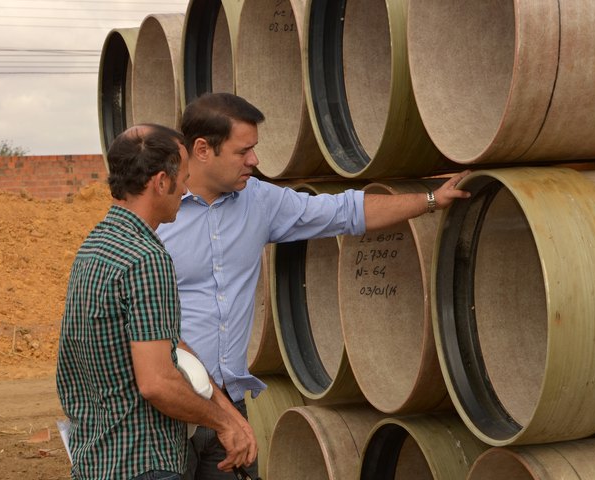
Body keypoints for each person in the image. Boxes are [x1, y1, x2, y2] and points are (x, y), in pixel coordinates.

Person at [156, 93, 471, 480]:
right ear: (202, 149)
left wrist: (429, 200)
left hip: (229, 407)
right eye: (244, 151)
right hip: (167, 412)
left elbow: (345, 212)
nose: (255, 161)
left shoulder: (259, 201)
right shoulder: (156, 210)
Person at [56, 123, 256, 480]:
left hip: (96, 463)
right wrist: (224, 425)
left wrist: (224, 406)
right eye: (183, 179)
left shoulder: (95, 246)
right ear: (161, 182)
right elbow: (157, 382)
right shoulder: (146, 258)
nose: (186, 189)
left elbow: (161, 340)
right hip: (144, 463)